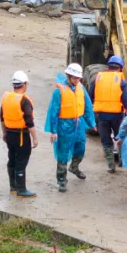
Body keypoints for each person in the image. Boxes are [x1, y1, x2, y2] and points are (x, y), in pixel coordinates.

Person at [44, 63, 96, 192]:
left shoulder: (81, 88)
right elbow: (54, 112)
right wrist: (54, 131)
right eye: (74, 78)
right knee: (63, 153)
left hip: (78, 124)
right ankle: (62, 180)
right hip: (64, 126)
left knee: (80, 149)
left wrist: (92, 123)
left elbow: (87, 106)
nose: (77, 81)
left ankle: (74, 167)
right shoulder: (59, 91)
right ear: (68, 76)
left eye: (78, 78)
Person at [0, 71, 37, 198]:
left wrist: (4, 133)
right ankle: (21, 189)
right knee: (22, 161)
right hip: (22, 136)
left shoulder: (6, 98)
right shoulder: (24, 101)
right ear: (25, 84)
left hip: (9, 134)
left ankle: (13, 187)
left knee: (12, 159)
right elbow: (29, 122)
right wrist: (35, 138)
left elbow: (2, 118)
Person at [89, 56, 127, 173]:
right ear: (120, 68)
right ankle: (122, 161)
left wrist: (91, 110)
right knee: (120, 137)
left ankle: (111, 166)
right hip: (117, 115)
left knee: (106, 140)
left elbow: (90, 95)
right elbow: (125, 98)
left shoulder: (98, 77)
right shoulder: (120, 80)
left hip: (102, 115)